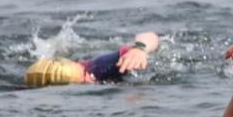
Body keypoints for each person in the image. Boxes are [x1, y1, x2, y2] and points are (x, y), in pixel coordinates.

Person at [24, 31, 159, 87]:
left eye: (84, 76)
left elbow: (152, 36)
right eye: (81, 81)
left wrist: (138, 49)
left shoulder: (103, 67)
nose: (87, 80)